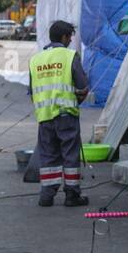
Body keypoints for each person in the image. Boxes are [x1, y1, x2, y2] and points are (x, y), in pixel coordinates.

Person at [29, 19, 90, 207]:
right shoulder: (70, 56)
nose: (71, 41)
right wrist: (77, 100)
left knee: (49, 155)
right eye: (70, 37)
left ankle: (46, 195)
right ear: (64, 37)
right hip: (66, 115)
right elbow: (82, 86)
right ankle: (72, 195)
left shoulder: (36, 59)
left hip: (44, 115)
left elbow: (32, 92)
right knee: (70, 155)